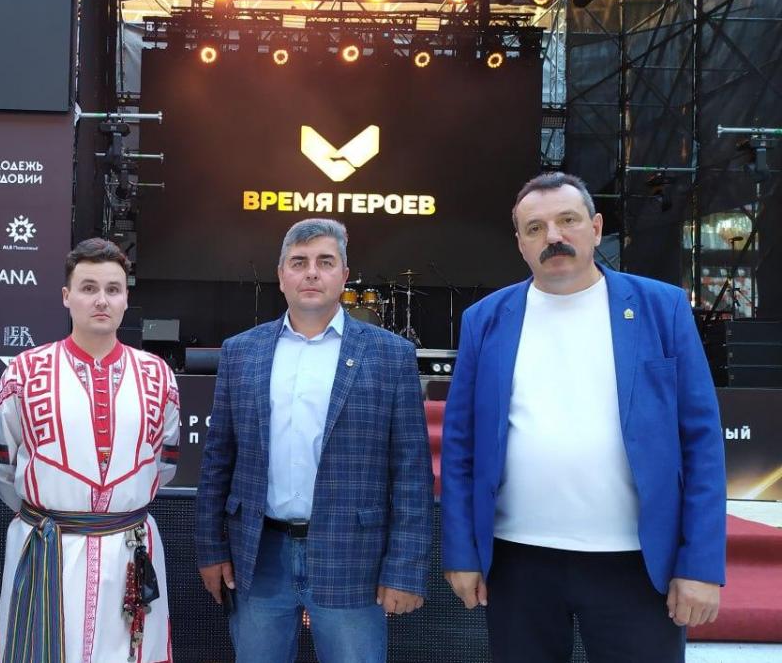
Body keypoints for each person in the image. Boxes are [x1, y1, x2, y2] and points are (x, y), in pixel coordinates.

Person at [440, 172, 726, 662]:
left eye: (567, 220)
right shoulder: (484, 320)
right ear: (520, 243)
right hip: (517, 561)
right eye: (535, 228)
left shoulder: (662, 308)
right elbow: (460, 445)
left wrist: (699, 564)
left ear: (595, 228)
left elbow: (701, 442)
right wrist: (461, 554)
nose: (553, 236)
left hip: (637, 563)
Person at [195, 218, 433, 663]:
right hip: (258, 557)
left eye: (325, 262)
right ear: (281, 274)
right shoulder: (241, 352)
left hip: (353, 559)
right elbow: (217, 461)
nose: (311, 273)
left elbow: (411, 473)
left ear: (344, 275)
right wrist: (210, 550)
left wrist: (404, 568)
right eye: (299, 262)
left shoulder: (390, 355)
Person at [0, 238, 180, 663]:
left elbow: (163, 464)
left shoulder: (157, 375)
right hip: (47, 546)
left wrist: (114, 508)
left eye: (113, 289)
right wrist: (52, 513)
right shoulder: (25, 371)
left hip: (129, 548)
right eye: (89, 288)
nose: (101, 300)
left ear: (126, 299)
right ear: (66, 296)